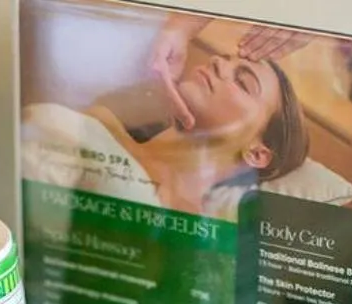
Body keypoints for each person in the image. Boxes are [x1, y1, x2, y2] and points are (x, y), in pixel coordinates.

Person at [22, 14, 308, 218]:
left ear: (257, 154)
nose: (218, 62)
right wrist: (180, 28)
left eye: (244, 83)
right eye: (226, 59)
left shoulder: (201, 233)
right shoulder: (102, 123)